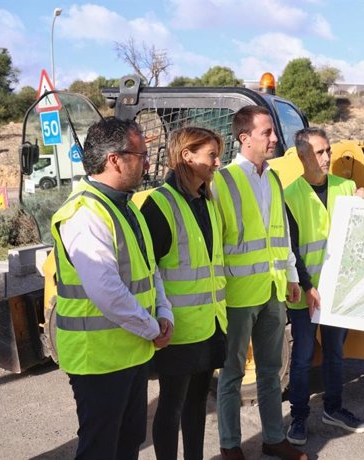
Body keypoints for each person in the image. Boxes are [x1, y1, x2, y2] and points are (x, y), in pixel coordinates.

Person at [50, 117, 174, 460]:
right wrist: (151, 328)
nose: (148, 162)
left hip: (130, 351)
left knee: (128, 442)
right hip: (98, 360)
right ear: (115, 159)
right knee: (100, 448)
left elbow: (150, 270)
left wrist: (163, 312)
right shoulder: (85, 213)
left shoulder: (125, 205)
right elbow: (106, 291)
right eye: (141, 154)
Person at [213, 105, 307, 460]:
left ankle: (273, 438)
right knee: (232, 374)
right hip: (237, 294)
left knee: (270, 373)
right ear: (244, 138)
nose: (273, 138)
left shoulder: (272, 178)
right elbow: (216, 243)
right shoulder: (222, 181)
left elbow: (280, 233)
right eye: (266, 132)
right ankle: (230, 446)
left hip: (272, 289)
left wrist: (292, 275)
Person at [136, 127, 227, 460]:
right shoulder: (159, 204)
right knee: (171, 407)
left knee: (197, 405)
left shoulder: (207, 201)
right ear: (187, 155)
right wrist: (159, 316)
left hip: (210, 325)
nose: (218, 162)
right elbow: (149, 270)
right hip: (177, 328)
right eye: (211, 155)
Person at [283, 127, 364, 446]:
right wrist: (306, 287)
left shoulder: (346, 187)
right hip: (306, 293)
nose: (327, 156)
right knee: (303, 357)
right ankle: (299, 417)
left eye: (328, 150)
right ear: (303, 156)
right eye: (319, 152)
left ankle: (334, 409)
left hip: (338, 293)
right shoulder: (290, 195)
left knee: (335, 354)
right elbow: (290, 248)